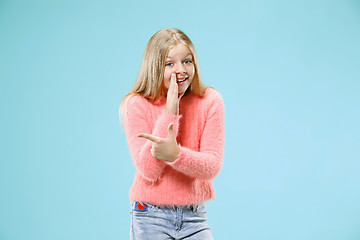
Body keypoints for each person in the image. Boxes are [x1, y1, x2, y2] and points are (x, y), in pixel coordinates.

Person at [120, 28, 225, 240]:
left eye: (187, 61)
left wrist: (175, 154)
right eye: (170, 64)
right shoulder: (136, 104)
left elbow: (212, 165)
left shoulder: (210, 101)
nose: (181, 70)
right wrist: (170, 112)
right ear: (155, 67)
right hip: (149, 215)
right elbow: (148, 170)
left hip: (195, 216)